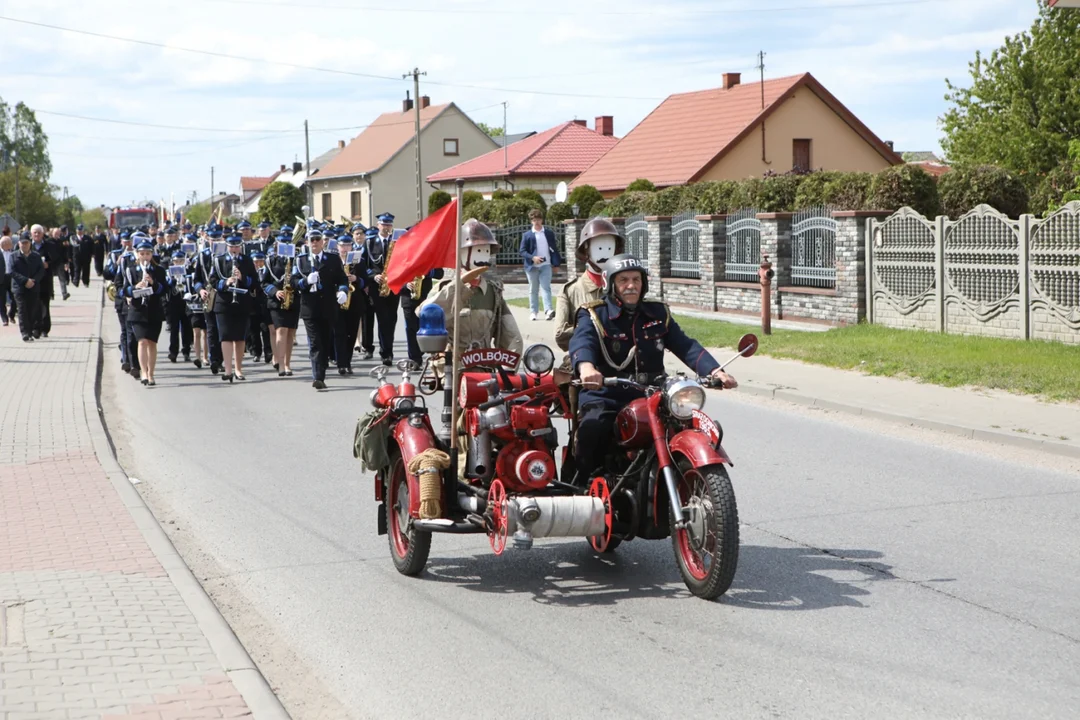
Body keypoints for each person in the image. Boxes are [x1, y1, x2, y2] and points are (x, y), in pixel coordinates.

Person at [568, 254, 738, 482]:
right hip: (608, 392)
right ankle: (582, 485)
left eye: (636, 280)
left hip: (652, 394)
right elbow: (582, 342)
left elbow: (685, 345)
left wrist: (716, 371)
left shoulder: (657, 313)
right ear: (611, 284)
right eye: (624, 280)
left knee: (685, 424)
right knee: (593, 427)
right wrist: (587, 368)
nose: (631, 286)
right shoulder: (594, 314)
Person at [420, 218, 523, 358]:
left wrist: (509, 370)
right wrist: (458, 285)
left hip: (484, 366)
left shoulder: (494, 293)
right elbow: (424, 313)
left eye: (486, 251)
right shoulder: (443, 288)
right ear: (461, 253)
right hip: (450, 367)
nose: (483, 256)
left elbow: (511, 336)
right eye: (478, 250)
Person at [554, 218, 624, 352]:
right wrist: (599, 328)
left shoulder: (623, 287)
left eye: (609, 248)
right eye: (599, 248)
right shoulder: (570, 291)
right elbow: (560, 336)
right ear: (586, 250)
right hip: (583, 360)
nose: (605, 253)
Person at [290, 228, 348, 390]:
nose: (314, 242)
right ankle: (318, 377)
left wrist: (343, 290)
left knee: (324, 340)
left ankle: (321, 367)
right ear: (307, 242)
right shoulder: (301, 260)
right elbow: (293, 283)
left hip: (328, 307)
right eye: (311, 240)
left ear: (323, 241)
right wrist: (306, 281)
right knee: (315, 343)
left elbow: (342, 278)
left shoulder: (332, 259)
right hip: (310, 308)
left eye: (317, 239)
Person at [211, 234, 258, 382]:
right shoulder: (218, 261)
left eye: (237, 246)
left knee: (239, 337)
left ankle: (238, 369)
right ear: (227, 246)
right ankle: (228, 370)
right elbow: (212, 280)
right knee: (225, 336)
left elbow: (255, 281)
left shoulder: (247, 260)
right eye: (232, 246)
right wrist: (226, 282)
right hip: (224, 303)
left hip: (242, 302)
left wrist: (242, 278)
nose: (234, 249)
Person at [359, 213, 404, 365]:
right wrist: (373, 276)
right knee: (381, 318)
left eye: (388, 225)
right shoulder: (369, 243)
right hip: (376, 287)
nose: (386, 227)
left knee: (390, 320)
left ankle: (387, 351)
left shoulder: (397, 242)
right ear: (378, 225)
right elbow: (363, 266)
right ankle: (381, 351)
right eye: (383, 224)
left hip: (393, 285)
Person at [122, 240, 168, 386]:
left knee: (152, 343)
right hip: (137, 311)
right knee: (142, 341)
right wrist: (136, 286)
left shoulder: (159, 270)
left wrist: (153, 283)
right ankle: (143, 372)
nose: (145, 256)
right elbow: (124, 290)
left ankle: (151, 373)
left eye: (148, 254)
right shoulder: (131, 270)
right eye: (142, 254)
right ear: (137, 254)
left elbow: (164, 290)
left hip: (154, 310)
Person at [264, 232, 300, 377]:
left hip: (293, 299)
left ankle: (287, 364)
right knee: (281, 330)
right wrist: (275, 291)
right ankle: (279, 364)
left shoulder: (296, 260)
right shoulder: (270, 261)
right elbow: (264, 282)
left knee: (290, 332)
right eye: (281, 244)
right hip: (276, 300)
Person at [519, 208, 561, 321]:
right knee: (533, 289)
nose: (536, 222)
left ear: (542, 220)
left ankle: (548, 310)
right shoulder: (527, 235)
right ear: (531, 221)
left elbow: (554, 249)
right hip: (532, 267)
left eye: (538, 219)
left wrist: (556, 264)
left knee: (546, 288)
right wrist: (533, 258)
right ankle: (533, 311)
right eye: (534, 220)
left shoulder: (548, 233)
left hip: (546, 265)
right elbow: (522, 251)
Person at [193, 230, 225, 374]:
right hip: (209, 296)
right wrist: (200, 290)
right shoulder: (203, 255)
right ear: (207, 239)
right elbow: (197, 280)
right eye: (212, 239)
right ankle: (214, 360)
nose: (215, 242)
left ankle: (222, 358)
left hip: (224, 295)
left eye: (218, 239)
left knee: (223, 330)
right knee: (211, 329)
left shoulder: (226, 254)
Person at [332, 236, 362, 375]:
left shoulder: (357, 261)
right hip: (337, 301)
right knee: (339, 334)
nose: (345, 248)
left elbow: (366, 281)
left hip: (354, 302)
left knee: (351, 333)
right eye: (342, 245)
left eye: (348, 245)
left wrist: (356, 279)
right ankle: (341, 364)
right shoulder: (333, 260)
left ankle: (348, 361)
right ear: (337, 246)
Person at [10, 233, 45, 342]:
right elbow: (12, 271)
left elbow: (41, 271)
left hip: (33, 287)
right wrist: (25, 281)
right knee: (22, 310)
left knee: (31, 310)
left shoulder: (36, 256)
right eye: (22, 243)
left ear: (30, 244)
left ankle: (30, 332)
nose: (24, 245)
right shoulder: (13, 256)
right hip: (19, 288)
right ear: (18, 244)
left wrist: (33, 281)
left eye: (26, 243)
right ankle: (24, 332)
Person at [165, 250, 193, 363]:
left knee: (186, 328)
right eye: (176, 261)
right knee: (174, 329)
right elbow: (166, 286)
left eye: (181, 261)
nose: (178, 263)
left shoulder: (189, 272)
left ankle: (186, 351)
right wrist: (172, 281)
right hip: (173, 303)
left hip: (185, 302)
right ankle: (173, 352)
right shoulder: (168, 273)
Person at [0, 230, 13, 326]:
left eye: (10, 243)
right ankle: (4, 318)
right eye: (7, 243)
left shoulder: (13, 253)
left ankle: (11, 313)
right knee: (2, 300)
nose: (9, 245)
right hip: (1, 278)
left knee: (15, 298)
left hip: (12, 278)